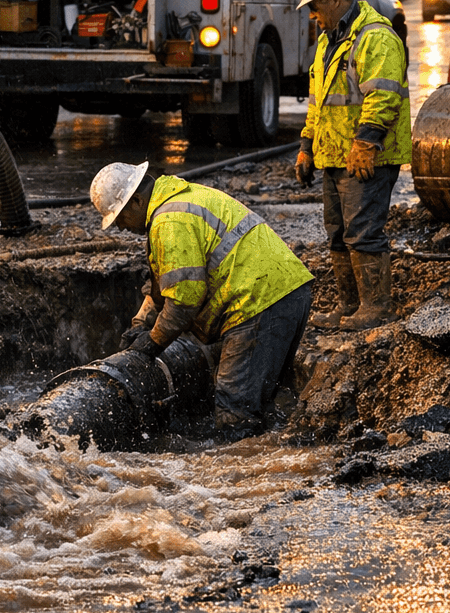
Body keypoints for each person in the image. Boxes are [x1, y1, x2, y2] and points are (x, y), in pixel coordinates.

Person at [90, 160, 315, 439]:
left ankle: (243, 458)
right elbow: (164, 287)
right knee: (259, 404)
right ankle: (275, 451)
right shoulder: (178, 201)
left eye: (120, 218)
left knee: (235, 411)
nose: (121, 228)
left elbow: (184, 301)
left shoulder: (169, 221)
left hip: (258, 303)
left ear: (136, 201)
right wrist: (140, 324)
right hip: (285, 293)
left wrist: (152, 343)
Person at [293, 0, 411, 330]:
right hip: (334, 154)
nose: (312, 16)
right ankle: (350, 305)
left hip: (367, 156)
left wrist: (366, 143)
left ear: (332, 0)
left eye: (314, 7)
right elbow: (318, 102)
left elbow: (384, 96)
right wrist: (307, 145)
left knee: (363, 231)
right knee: (338, 233)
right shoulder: (328, 42)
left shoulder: (376, 37)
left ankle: (377, 308)